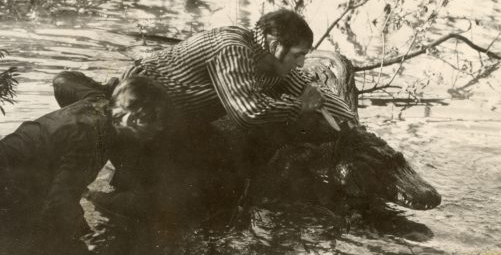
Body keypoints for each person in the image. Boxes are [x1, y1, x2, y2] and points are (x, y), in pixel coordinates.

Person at [0, 75, 171, 255]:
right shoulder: (91, 137)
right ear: (129, 118)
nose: (159, 128)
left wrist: (108, 87)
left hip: (0, 164)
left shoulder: (98, 101)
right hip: (7, 189)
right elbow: (60, 201)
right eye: (153, 120)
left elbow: (63, 80)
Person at [122, 9, 357, 170]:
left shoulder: (274, 63)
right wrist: (300, 107)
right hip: (139, 101)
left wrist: (350, 121)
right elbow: (248, 112)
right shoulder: (233, 48)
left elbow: (311, 91)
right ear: (275, 45)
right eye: (298, 55)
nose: (301, 63)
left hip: (182, 115)